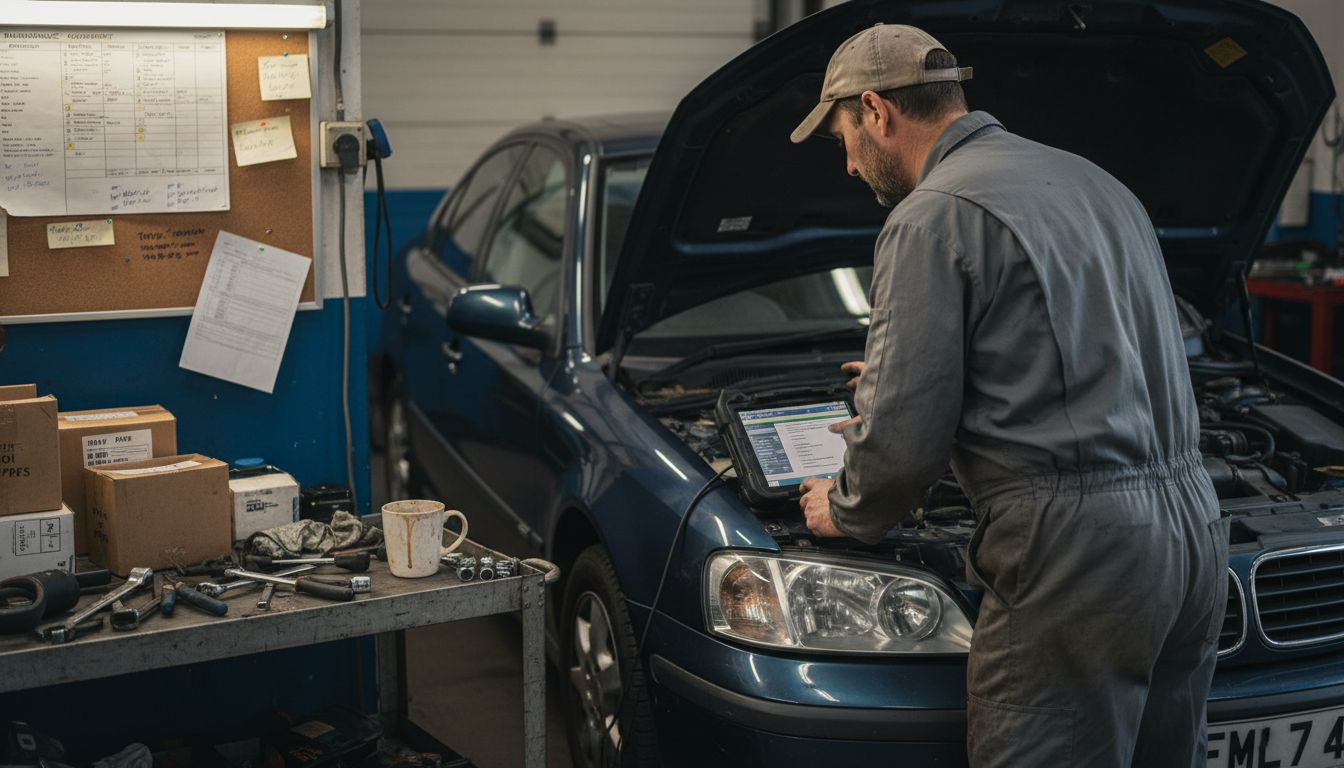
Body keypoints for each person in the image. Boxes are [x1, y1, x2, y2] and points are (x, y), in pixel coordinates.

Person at [790, 23, 1228, 768]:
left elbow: (899, 452)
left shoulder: (929, 216)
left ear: (876, 109)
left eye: (843, 140)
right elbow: (1089, 345)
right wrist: (920, 382)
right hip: (1191, 532)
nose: (850, 166)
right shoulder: (1096, 181)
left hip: (1076, 552)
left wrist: (845, 506)